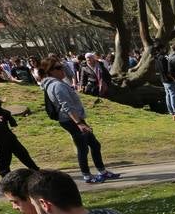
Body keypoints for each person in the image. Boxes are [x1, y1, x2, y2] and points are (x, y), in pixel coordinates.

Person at [40, 56, 121, 184]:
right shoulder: (56, 85)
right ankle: (87, 176)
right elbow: (67, 106)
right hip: (71, 120)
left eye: (62, 66)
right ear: (50, 71)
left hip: (75, 119)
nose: (62, 70)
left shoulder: (57, 83)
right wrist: (79, 123)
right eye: (58, 68)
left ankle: (102, 171)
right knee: (83, 148)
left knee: (94, 144)